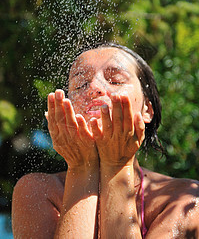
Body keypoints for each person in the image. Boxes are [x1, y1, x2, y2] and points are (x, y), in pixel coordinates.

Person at [12, 43, 199, 238]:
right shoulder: (37, 191)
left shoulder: (185, 199)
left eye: (115, 80)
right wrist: (81, 167)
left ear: (147, 110)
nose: (94, 88)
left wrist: (117, 164)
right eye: (81, 84)